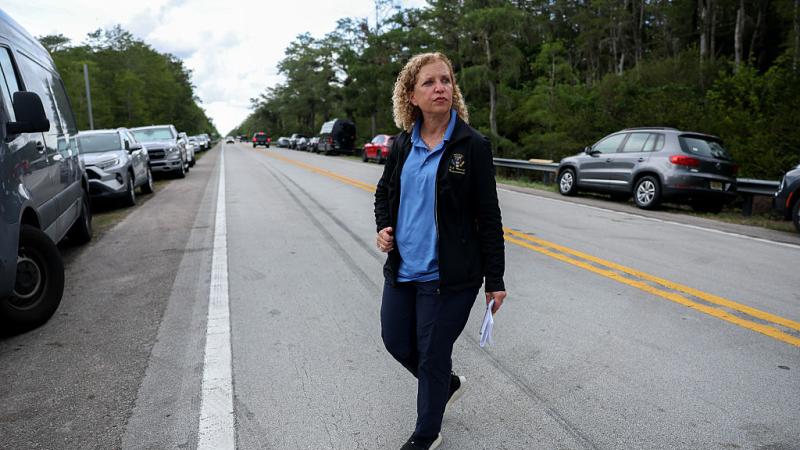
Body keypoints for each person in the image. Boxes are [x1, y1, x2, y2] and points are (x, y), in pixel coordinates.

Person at [374, 52, 507, 450]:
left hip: (452, 276)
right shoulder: (401, 145)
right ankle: (445, 385)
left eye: (446, 81)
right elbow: (384, 193)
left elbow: (489, 215)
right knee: (397, 341)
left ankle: (426, 433)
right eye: (430, 82)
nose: (440, 88)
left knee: (432, 353)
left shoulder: (472, 145)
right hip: (403, 269)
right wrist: (383, 226)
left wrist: (495, 279)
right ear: (411, 95)